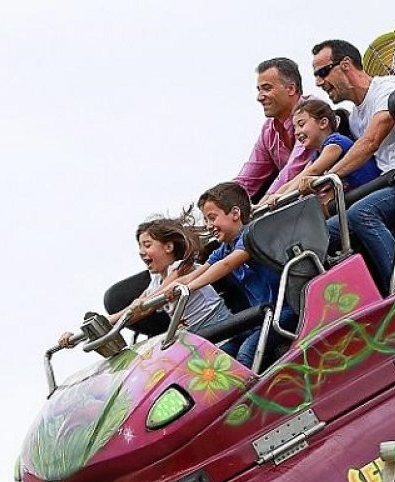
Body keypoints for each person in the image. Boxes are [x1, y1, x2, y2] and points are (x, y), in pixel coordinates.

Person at [300, 39, 395, 291]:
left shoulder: (386, 90)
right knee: (327, 233)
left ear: (346, 64)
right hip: (392, 185)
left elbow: (370, 142)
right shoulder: (357, 116)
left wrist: (327, 178)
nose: (318, 82)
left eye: (323, 72)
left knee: (362, 214)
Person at [168, 182, 294, 368]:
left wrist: (189, 288)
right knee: (223, 354)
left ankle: (249, 396)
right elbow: (196, 273)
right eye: (206, 220)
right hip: (262, 317)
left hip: (285, 310)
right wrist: (173, 288)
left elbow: (226, 265)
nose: (209, 226)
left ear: (235, 214)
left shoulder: (251, 236)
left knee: (246, 352)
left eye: (212, 218)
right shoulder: (224, 249)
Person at [58, 212, 231, 347]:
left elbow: (163, 290)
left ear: (169, 247)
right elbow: (124, 314)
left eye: (147, 245)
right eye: (140, 246)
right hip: (197, 336)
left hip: (218, 325)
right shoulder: (155, 281)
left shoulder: (180, 267)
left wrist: (141, 304)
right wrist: (77, 336)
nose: (141, 251)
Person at [264, 98, 381, 207]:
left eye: (301, 124)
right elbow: (296, 179)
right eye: (294, 128)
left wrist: (281, 198)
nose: (296, 132)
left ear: (323, 123)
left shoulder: (336, 142)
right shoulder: (316, 155)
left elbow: (313, 171)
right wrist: (266, 202)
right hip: (357, 199)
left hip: (372, 194)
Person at [235, 58, 315, 200]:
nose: (259, 97)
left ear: (291, 89)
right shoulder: (269, 129)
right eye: (259, 90)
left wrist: (266, 201)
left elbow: (294, 168)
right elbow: (247, 179)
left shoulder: (314, 112)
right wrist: (220, 202)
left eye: (267, 88)